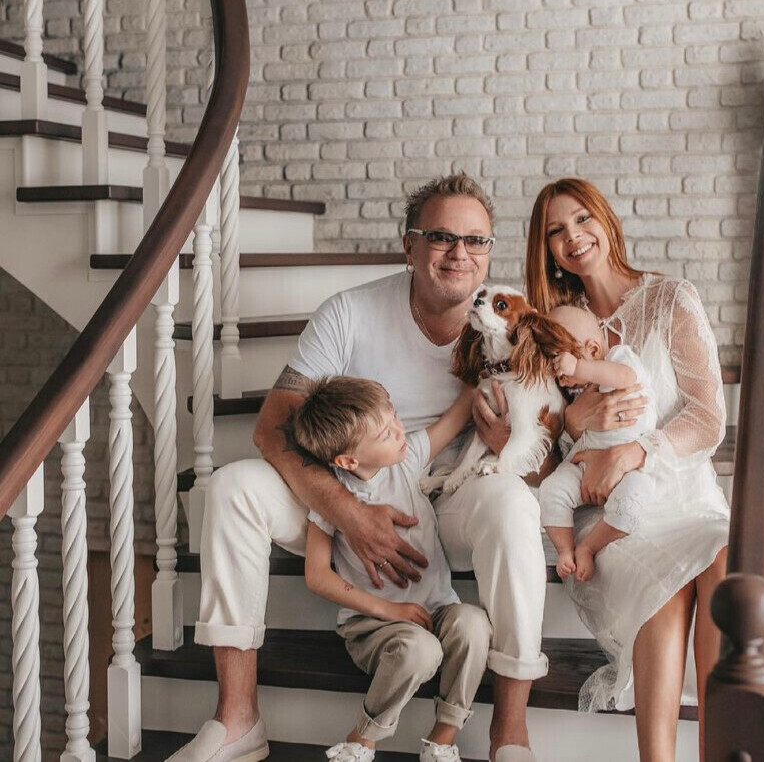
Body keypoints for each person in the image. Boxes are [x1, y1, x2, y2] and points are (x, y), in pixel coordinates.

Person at [168, 174, 551, 762]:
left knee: (514, 505)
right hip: (351, 485)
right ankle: (238, 718)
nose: (460, 254)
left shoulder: (510, 326)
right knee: (232, 487)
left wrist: (508, 446)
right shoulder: (350, 312)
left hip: (448, 499)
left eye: (476, 240)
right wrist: (346, 511)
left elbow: (548, 439)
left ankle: (511, 733)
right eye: (442, 236)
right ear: (409, 244)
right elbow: (272, 427)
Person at [523, 177, 730, 762]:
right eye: (556, 231)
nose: (573, 237)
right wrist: (572, 423)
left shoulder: (671, 299)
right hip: (605, 511)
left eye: (582, 219)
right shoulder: (554, 329)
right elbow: (541, 446)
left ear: (606, 221)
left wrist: (636, 451)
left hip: (681, 492)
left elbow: (707, 417)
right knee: (663, 580)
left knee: (723, 553)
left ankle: (720, 748)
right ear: (547, 250)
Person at [295, 375, 491, 762]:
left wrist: (486, 370)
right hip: (373, 625)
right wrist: (389, 610)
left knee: (474, 625)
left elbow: (458, 414)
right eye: (386, 433)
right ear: (348, 461)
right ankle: (361, 740)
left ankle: (442, 740)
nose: (400, 431)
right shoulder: (334, 499)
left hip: (437, 610)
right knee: (420, 650)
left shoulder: (409, 456)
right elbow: (317, 576)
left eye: (395, 416)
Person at [538, 305, 658, 581]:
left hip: (629, 468)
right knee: (551, 490)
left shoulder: (620, 358)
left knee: (635, 499)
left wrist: (579, 368)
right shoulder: (580, 391)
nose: (561, 378)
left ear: (592, 350)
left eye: (562, 364)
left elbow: (626, 378)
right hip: (584, 464)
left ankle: (589, 547)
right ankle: (566, 549)